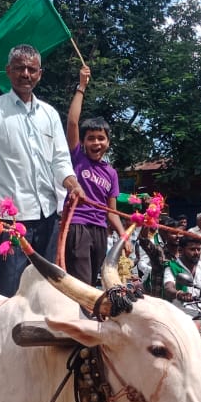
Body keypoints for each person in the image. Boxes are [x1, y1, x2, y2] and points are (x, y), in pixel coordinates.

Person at [0, 44, 84, 297]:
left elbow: (61, 160)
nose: (26, 74)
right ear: (9, 72)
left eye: (31, 69)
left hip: (48, 218)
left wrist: (72, 182)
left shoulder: (50, 114)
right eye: (20, 69)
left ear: (40, 74)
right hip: (9, 221)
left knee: (46, 292)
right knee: (9, 293)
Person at [62, 64, 125, 285]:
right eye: (91, 138)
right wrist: (81, 86)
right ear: (83, 141)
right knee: (80, 281)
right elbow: (72, 122)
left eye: (101, 138)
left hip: (100, 231)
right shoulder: (77, 156)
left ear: (108, 142)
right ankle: (82, 318)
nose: (96, 142)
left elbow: (112, 212)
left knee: (92, 280)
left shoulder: (111, 173)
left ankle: (85, 316)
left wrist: (123, 235)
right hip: (77, 226)